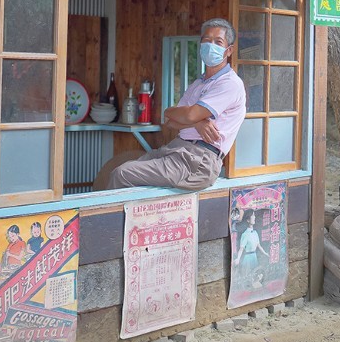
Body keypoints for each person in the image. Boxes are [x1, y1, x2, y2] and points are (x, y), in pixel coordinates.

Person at [109, 18, 246, 190]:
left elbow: (188, 114)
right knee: (127, 169)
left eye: (218, 42)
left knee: (122, 174)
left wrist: (189, 117)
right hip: (177, 148)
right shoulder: (198, 83)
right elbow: (169, 119)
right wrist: (197, 123)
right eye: (206, 40)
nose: (211, 46)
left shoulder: (229, 83)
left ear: (229, 50)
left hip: (198, 159)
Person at [234, 210, 269, 282]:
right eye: (252, 215)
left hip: (254, 257)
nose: (254, 217)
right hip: (248, 258)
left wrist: (265, 253)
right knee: (247, 275)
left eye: (254, 215)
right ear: (248, 220)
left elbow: (259, 245)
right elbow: (241, 248)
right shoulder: (245, 234)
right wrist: (238, 258)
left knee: (255, 274)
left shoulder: (255, 233)